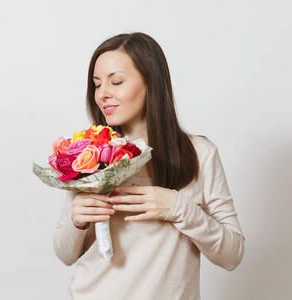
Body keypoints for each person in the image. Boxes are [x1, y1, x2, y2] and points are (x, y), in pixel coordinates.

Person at [53, 32, 245, 299]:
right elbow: (65, 254)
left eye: (116, 81)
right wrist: (78, 222)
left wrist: (178, 208)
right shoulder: (90, 153)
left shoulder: (200, 154)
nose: (102, 95)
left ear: (151, 83)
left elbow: (232, 256)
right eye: (97, 84)